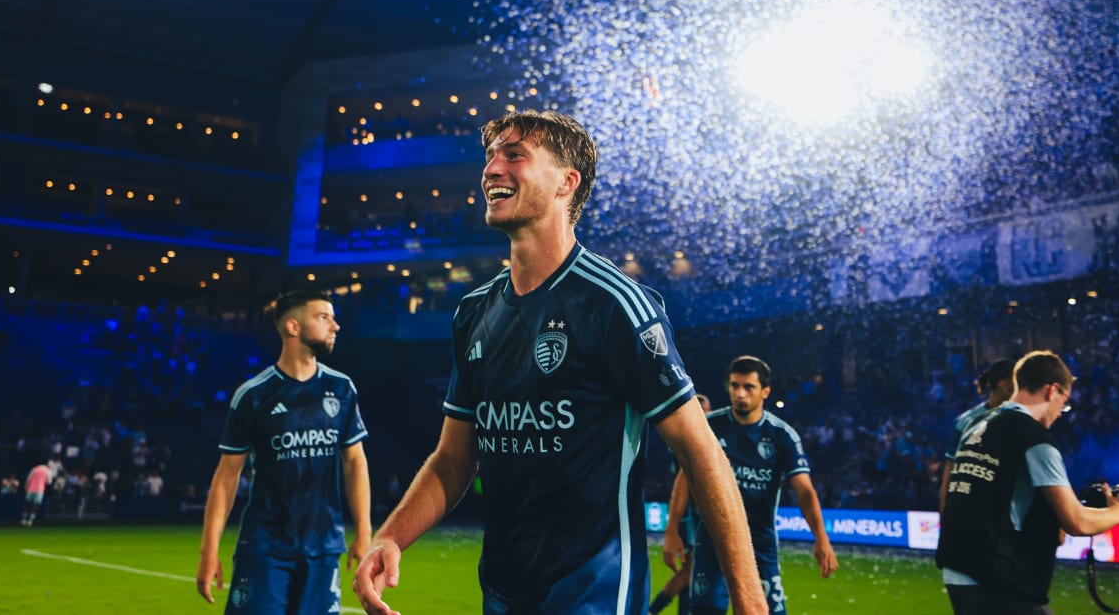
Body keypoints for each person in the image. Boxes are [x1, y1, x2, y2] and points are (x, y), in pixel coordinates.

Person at [353, 109, 766, 615]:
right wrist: (390, 537)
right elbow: (454, 459)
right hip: (502, 591)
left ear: (566, 183)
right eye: (490, 157)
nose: (491, 170)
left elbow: (702, 454)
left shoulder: (615, 304)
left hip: (593, 592)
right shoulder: (473, 312)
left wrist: (750, 602)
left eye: (514, 155)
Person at [197, 290, 371, 612]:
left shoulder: (342, 389)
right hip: (265, 546)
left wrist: (363, 530)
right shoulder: (253, 395)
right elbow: (227, 476)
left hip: (323, 547)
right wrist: (209, 550)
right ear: (293, 327)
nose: (336, 326)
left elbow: (355, 462)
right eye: (324, 317)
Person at [936, 349, 1119, 614]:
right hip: (994, 578)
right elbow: (1077, 522)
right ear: (1052, 390)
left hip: (957, 570)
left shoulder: (976, 426)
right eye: (1064, 404)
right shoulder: (1033, 437)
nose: (1061, 413)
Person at [671, 355, 838, 615]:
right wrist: (672, 530)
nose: (739, 394)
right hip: (712, 540)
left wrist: (821, 538)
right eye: (735, 386)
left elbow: (804, 491)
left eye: (748, 387)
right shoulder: (710, 426)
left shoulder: (782, 436)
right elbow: (685, 477)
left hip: (759, 545)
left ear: (765, 392)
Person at [651, 394, 712, 615]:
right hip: (687, 512)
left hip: (697, 511)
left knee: (695, 569)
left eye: (707, 411)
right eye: (702, 411)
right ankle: (652, 610)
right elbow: (687, 478)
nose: (707, 416)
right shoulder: (686, 438)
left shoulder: (702, 436)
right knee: (691, 566)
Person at [940, 358, 1016, 515]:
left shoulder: (1021, 420)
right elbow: (948, 476)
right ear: (1004, 385)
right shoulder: (965, 422)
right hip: (972, 510)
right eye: (1018, 381)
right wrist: (944, 517)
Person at [21, 461, 53, 526]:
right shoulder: (48, 471)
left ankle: (24, 519)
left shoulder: (34, 469)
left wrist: (26, 487)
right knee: (36, 505)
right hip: (40, 490)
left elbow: (28, 479)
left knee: (27, 504)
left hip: (30, 489)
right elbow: (49, 482)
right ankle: (30, 521)